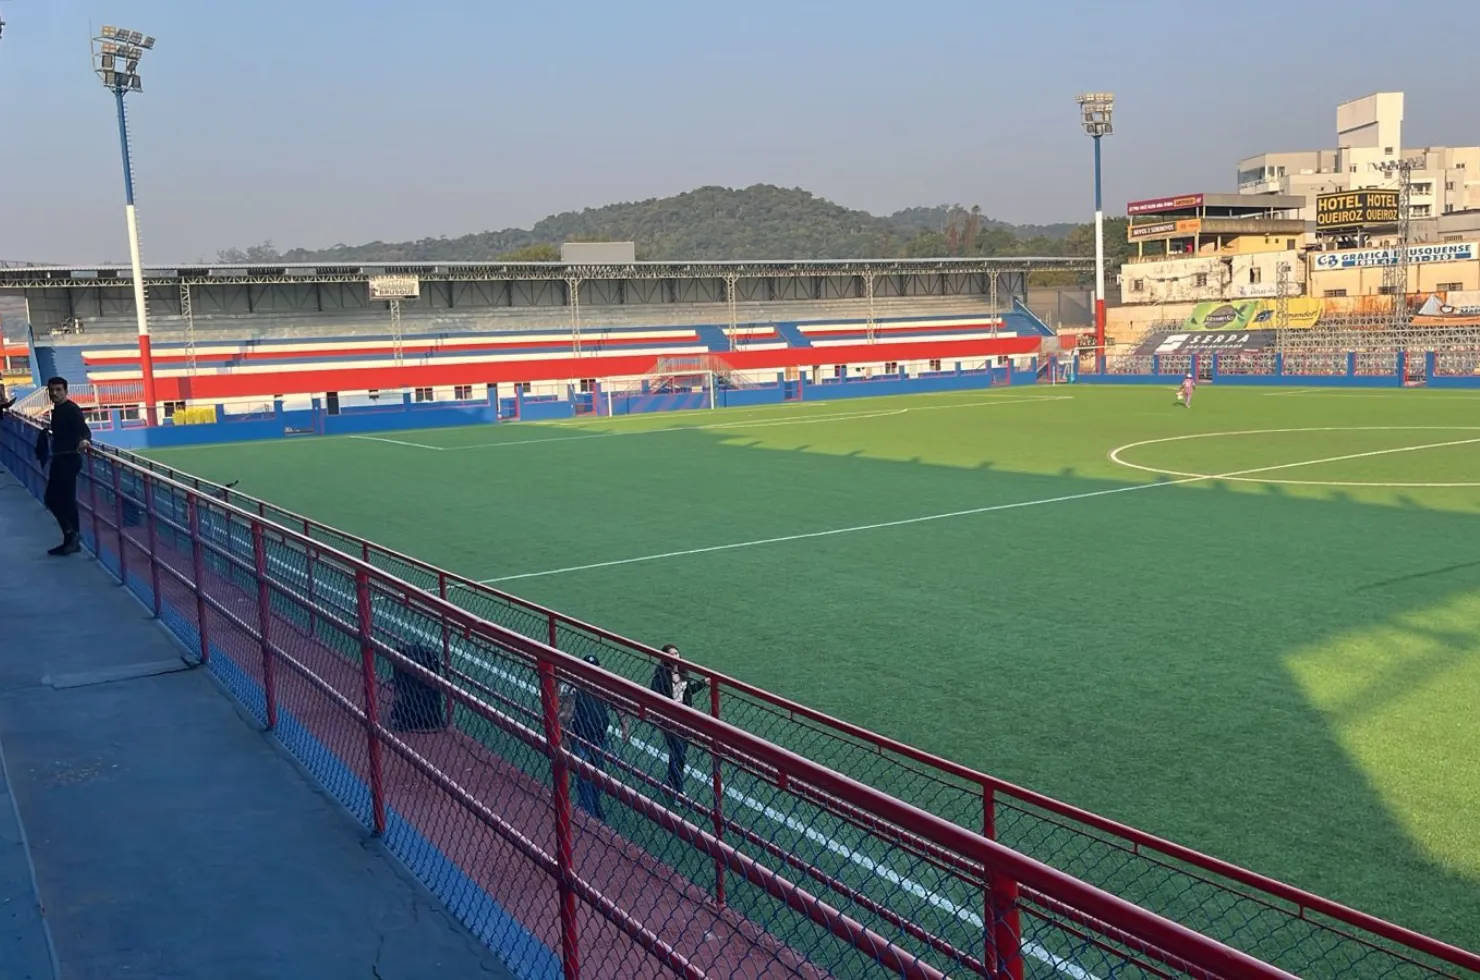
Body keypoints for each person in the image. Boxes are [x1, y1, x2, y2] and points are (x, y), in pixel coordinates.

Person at [560, 654, 627, 821]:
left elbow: (617, 703)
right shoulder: (572, 686)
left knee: (597, 777)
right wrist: (565, 737)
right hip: (580, 737)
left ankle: (593, 809)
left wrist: (625, 725)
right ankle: (588, 815)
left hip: (599, 738)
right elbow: (565, 713)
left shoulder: (603, 685)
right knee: (585, 776)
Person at [650, 644, 708, 799]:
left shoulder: (684, 672)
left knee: (679, 754)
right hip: (669, 719)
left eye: (677, 653)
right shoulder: (661, 675)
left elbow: (688, 692)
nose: (676, 656)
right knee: (678, 753)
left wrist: (703, 682)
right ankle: (678, 790)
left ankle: (671, 783)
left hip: (684, 719)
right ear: (665, 657)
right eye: (672, 654)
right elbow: (655, 694)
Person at [41, 376, 91, 556]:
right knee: (60, 499)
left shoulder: (71, 409)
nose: (54, 393)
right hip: (60, 459)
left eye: (58, 390)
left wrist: (84, 440)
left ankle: (71, 537)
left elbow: (83, 430)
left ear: (65, 391)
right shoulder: (58, 410)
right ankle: (71, 538)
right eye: (52, 390)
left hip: (69, 460)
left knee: (57, 499)